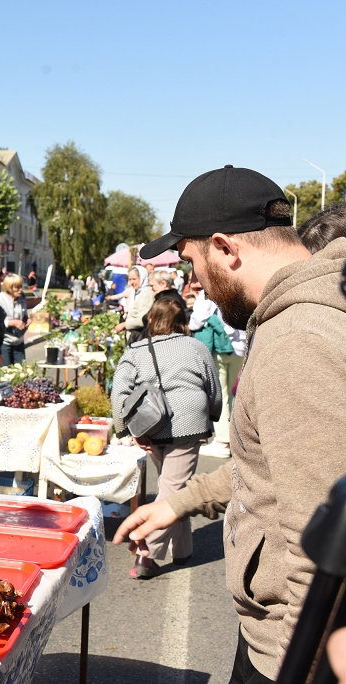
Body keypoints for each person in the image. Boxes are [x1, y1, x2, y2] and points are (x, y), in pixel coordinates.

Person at [115, 165, 346, 683]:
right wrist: (178, 503)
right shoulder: (295, 319)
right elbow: (270, 464)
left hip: (287, 655)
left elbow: (322, 551)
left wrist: (296, 670)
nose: (193, 283)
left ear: (225, 247)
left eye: (192, 262)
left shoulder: (300, 340)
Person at [111, 298, 221, 579]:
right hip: (190, 421)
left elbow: (118, 393)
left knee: (171, 485)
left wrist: (128, 430)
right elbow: (213, 386)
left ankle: (169, 551)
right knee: (173, 488)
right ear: (182, 321)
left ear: (151, 320)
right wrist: (212, 414)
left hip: (152, 424)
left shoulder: (135, 350)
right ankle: (148, 553)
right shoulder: (196, 346)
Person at [189, 290, 245, 458]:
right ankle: (235, 438)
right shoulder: (239, 287)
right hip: (241, 347)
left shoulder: (210, 290)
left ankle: (223, 441)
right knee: (232, 395)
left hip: (221, 348)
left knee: (220, 394)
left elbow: (197, 320)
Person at [113, 264, 154, 342]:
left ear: (142, 278)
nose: (131, 282)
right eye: (130, 279)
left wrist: (124, 325)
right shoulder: (137, 292)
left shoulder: (147, 293)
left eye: (134, 279)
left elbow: (143, 319)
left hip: (141, 336)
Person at [0, 273, 28, 365]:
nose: (21, 290)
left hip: (19, 341)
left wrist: (27, 319)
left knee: (21, 372)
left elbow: (24, 313)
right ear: (9, 287)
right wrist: (11, 322)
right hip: (4, 342)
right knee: (5, 373)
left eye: (21, 286)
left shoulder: (22, 298)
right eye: (17, 287)